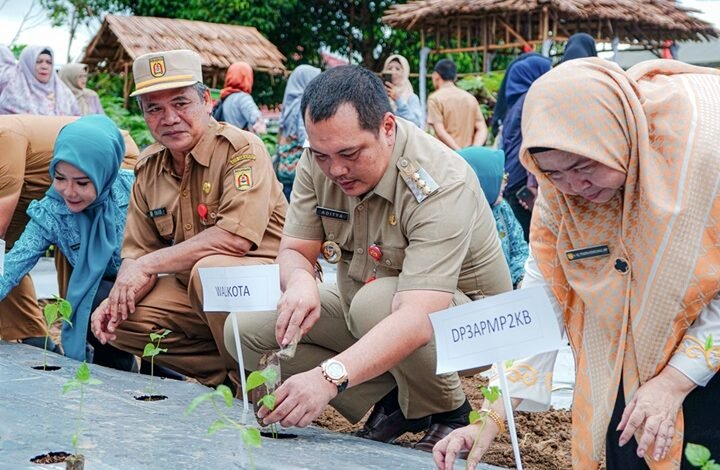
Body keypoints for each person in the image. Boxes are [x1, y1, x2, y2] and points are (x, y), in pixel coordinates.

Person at [434, 58, 720, 470]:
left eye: (585, 166)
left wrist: (676, 380)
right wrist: (491, 417)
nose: (575, 187)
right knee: (627, 441)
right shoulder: (559, 192)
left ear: (618, 137)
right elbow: (539, 300)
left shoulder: (700, 159)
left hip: (708, 358)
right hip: (623, 356)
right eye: (554, 173)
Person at [224, 65, 512, 451]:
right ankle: (400, 397)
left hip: (471, 326)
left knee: (374, 305)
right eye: (322, 155)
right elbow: (294, 250)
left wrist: (328, 378)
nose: (336, 169)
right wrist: (300, 282)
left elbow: (417, 314)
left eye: (349, 153)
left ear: (387, 128)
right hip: (364, 302)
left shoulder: (441, 181)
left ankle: (449, 410)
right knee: (244, 329)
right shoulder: (320, 160)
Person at [90, 49, 287, 388]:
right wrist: (124, 287)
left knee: (208, 273)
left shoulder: (241, 149)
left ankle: (254, 381)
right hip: (197, 293)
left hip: (268, 287)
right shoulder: (149, 167)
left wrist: (146, 265)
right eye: (154, 108)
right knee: (118, 318)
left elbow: (234, 239)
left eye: (180, 103)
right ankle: (236, 375)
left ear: (206, 101)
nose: (168, 118)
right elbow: (138, 251)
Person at [0, 115, 136, 370]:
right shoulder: (52, 212)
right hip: (102, 295)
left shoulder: (136, 189)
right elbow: (13, 266)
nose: (69, 192)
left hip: (148, 281)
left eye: (82, 182)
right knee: (93, 300)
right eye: (60, 178)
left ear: (103, 174)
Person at [457, 147, 528, 288]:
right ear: (481, 181)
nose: (505, 184)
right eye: (502, 178)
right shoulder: (458, 218)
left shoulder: (502, 208)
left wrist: (520, 278)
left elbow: (518, 247)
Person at [500, 54, 551, 241]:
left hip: (512, 178)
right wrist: (533, 183)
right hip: (524, 180)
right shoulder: (531, 100)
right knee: (531, 241)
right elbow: (532, 142)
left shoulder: (513, 105)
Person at [275, 64, 321, 201]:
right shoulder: (302, 103)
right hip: (296, 169)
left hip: (285, 167)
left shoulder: (290, 102)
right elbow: (304, 138)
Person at [0, 45, 79, 116]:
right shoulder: (12, 93)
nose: (44, 66)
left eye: (49, 62)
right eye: (38, 62)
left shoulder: (65, 94)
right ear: (27, 65)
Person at [427, 58, 487, 150]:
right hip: (468, 156)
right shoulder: (470, 98)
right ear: (455, 77)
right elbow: (482, 129)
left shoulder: (435, 99)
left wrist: (459, 152)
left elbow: (440, 131)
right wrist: (473, 151)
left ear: (436, 76)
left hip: (446, 154)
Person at [213, 61, 266, 134]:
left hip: (227, 140)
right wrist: (260, 123)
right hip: (241, 143)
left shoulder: (224, 96)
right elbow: (255, 116)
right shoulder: (243, 98)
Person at [381, 54, 422, 128]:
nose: (393, 72)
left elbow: (416, 125)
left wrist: (399, 100)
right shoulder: (379, 95)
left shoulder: (411, 97)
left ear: (405, 72)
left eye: (398, 69)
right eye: (389, 68)